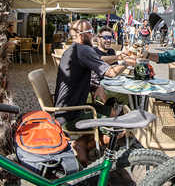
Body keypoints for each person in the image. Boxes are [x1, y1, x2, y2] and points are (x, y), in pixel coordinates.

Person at [54, 19, 137, 166]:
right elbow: (110, 73)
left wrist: (94, 87)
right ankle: (85, 146)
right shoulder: (83, 50)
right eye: (90, 32)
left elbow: (76, 79)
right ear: (81, 35)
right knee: (120, 131)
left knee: (111, 111)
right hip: (71, 114)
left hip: (66, 109)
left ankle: (81, 143)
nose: (93, 35)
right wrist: (126, 63)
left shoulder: (72, 50)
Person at [91, 25, 129, 106]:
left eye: (110, 38)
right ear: (98, 39)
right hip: (98, 87)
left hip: (113, 85)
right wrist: (119, 58)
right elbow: (101, 60)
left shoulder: (111, 51)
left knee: (130, 97)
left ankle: (124, 117)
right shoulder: (93, 52)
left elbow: (115, 70)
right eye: (105, 37)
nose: (108, 40)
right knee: (113, 100)